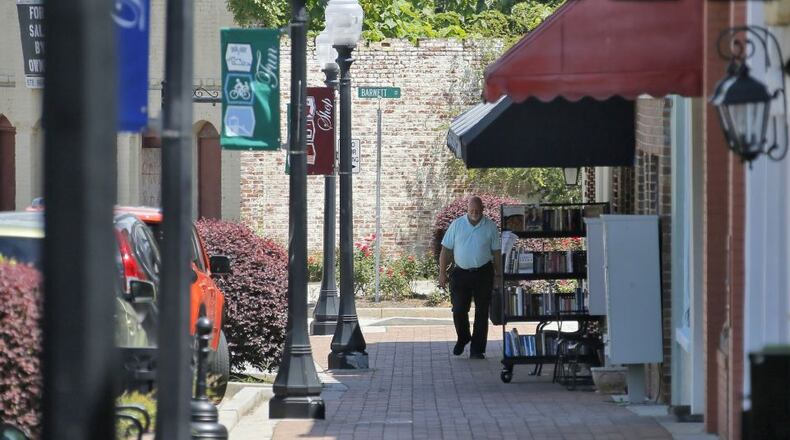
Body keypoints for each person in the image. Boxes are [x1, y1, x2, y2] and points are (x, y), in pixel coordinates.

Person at [438, 196, 502, 359]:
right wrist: (442, 273)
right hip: (461, 273)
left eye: (477, 211)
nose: (474, 213)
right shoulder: (457, 225)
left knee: (482, 312)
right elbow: (445, 250)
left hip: (484, 272)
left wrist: (498, 275)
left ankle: (477, 349)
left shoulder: (490, 226)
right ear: (467, 209)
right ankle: (463, 337)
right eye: (471, 211)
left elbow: (496, 253)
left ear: (483, 209)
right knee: (459, 309)